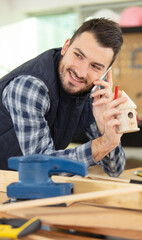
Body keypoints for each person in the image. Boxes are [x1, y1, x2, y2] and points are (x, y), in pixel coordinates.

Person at [0, 18, 127, 176]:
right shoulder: (30, 86)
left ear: (106, 72)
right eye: (78, 55)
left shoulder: (90, 94)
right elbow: (41, 165)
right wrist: (102, 144)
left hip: (19, 185)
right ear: (66, 46)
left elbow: (115, 170)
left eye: (95, 66)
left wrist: (107, 130)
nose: (81, 72)